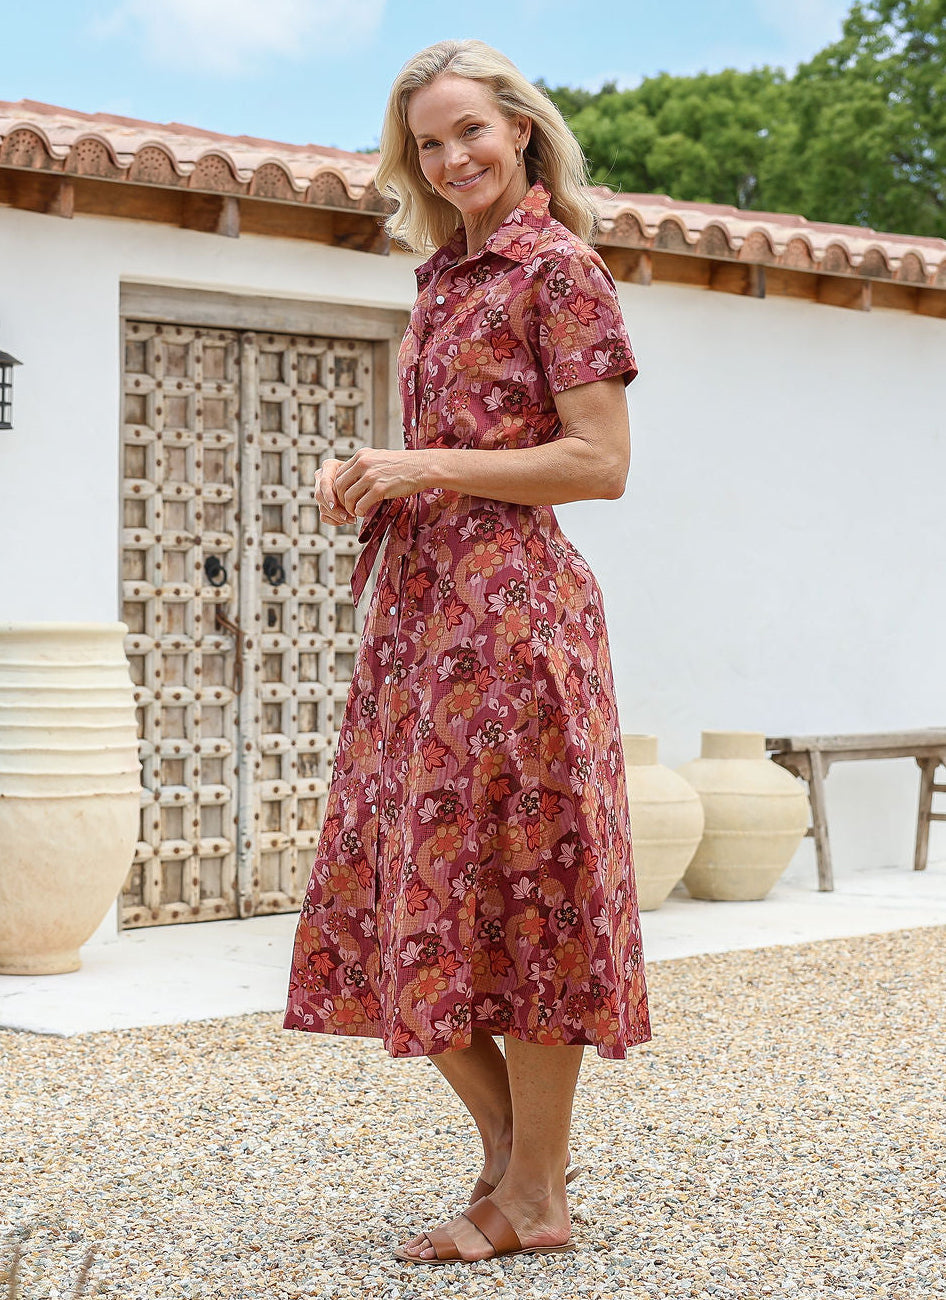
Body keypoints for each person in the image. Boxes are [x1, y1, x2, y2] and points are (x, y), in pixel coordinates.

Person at [283, 38, 651, 1265]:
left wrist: (421, 463)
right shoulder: (442, 278)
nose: (452, 160)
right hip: (423, 625)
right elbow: (450, 447)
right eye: (430, 144)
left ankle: (529, 1194)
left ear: (525, 132)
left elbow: (599, 463)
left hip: (517, 623)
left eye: (470, 134)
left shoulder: (559, 269)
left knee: (528, 892)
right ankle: (513, 1171)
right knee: (407, 888)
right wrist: (371, 479)